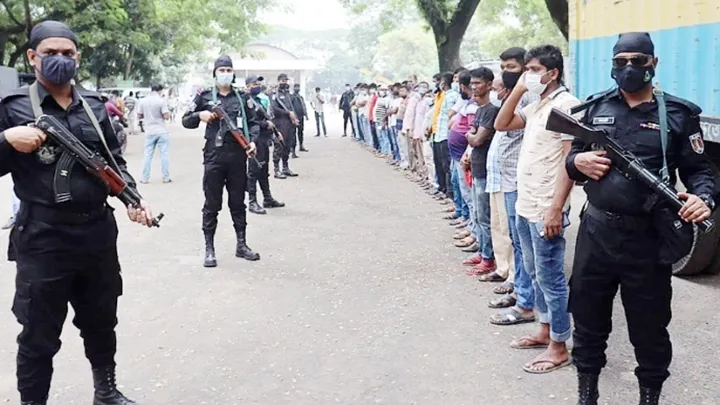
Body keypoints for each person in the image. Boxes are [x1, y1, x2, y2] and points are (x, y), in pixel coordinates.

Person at [0, 20, 155, 405]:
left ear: (78, 58)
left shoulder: (96, 106)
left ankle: (105, 391)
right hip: (43, 239)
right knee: (38, 334)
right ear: (32, 56)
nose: (60, 60)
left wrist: (133, 199)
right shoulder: (14, 106)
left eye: (68, 54)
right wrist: (5, 139)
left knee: (101, 321)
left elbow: (113, 162)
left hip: (97, 236)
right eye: (50, 53)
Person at [565, 33, 715, 405]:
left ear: (653, 63)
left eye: (637, 60)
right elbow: (573, 161)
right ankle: (587, 395)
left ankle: (650, 397)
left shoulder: (679, 115)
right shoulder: (595, 108)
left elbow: (700, 172)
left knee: (649, 329)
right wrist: (577, 162)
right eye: (620, 62)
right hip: (596, 233)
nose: (629, 68)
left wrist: (704, 197)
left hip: (647, 240)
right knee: (587, 322)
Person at [493, 44, 578, 374]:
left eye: (533, 70)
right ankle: (544, 330)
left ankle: (559, 345)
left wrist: (556, 208)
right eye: (526, 70)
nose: (528, 75)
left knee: (551, 277)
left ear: (552, 73)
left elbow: (570, 160)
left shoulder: (567, 105)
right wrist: (518, 89)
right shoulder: (542, 103)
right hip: (527, 203)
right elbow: (503, 123)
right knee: (533, 270)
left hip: (546, 207)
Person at [182, 55, 260, 268]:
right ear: (215, 73)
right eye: (221, 69)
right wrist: (200, 115)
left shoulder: (243, 97)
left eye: (228, 69)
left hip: (237, 157)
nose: (225, 73)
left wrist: (253, 141)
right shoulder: (204, 96)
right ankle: (209, 248)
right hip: (214, 158)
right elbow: (185, 120)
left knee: (237, 202)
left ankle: (241, 245)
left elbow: (254, 123)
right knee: (212, 204)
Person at [245, 75, 285, 215]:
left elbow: (268, 118)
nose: (257, 86)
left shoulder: (260, 99)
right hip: (253, 140)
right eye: (254, 83)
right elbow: (249, 121)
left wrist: (275, 131)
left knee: (263, 170)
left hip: (264, 139)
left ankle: (267, 198)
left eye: (258, 83)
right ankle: (252, 201)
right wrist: (264, 124)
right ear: (248, 85)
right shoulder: (246, 100)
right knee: (253, 171)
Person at [137, 84, 171, 184]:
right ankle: (165, 177)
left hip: (149, 131)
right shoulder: (161, 101)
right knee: (164, 154)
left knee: (147, 155)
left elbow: (139, 115)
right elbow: (166, 116)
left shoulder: (142, 101)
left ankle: (144, 178)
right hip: (161, 130)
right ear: (160, 90)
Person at [271, 73, 299, 178]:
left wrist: (294, 118)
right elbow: (274, 108)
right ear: (278, 81)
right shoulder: (275, 93)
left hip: (289, 124)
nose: (285, 83)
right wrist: (287, 113)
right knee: (279, 145)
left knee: (288, 145)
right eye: (282, 81)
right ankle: (277, 170)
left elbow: (291, 107)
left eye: (286, 81)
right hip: (279, 123)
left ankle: (285, 168)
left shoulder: (287, 93)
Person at [291, 83, 309, 155]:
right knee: (293, 134)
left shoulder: (301, 97)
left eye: (298, 87)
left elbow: (303, 106)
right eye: (296, 87)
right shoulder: (291, 97)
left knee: (300, 132)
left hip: (301, 117)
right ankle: (293, 150)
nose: (297, 88)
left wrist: (306, 114)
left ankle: (301, 145)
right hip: (294, 117)